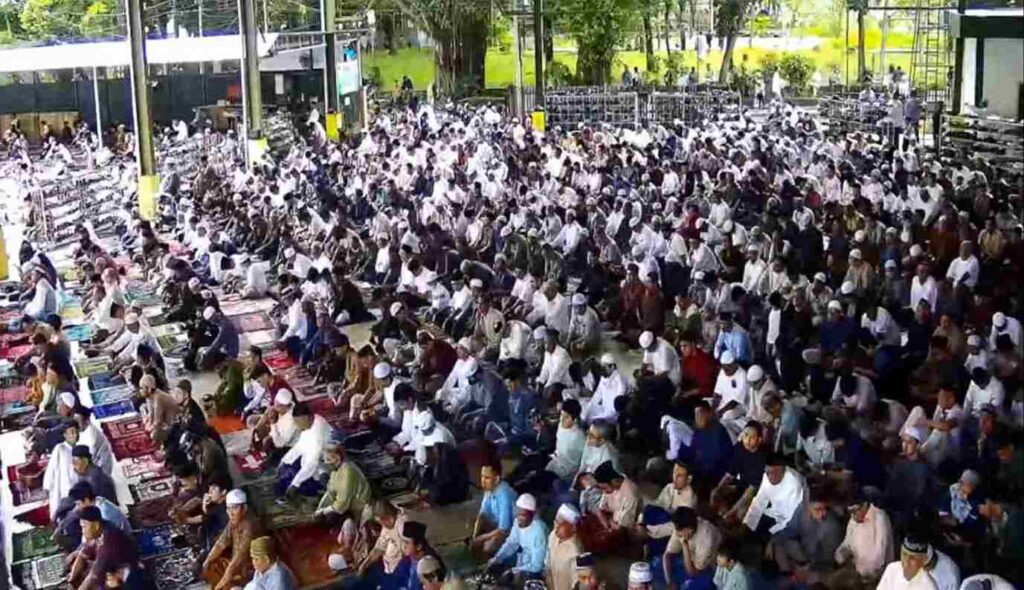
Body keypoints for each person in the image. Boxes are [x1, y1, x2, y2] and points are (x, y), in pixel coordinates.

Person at [67, 506, 141, 590]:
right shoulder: (99, 529)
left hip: (127, 574)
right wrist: (71, 578)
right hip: (109, 568)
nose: (83, 531)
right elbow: (82, 555)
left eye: (84, 527)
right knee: (76, 564)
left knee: (98, 584)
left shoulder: (108, 544)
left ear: (96, 525)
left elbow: (93, 576)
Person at [203, 489, 264, 590]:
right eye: (228, 509)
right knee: (212, 564)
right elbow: (221, 542)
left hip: (253, 569)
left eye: (234, 508)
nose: (230, 513)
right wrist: (208, 560)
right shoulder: (234, 521)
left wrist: (219, 586)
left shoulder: (250, 525)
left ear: (244, 508)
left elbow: (240, 556)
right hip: (238, 566)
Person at [488, 493, 549, 584]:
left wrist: (513, 571)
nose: (519, 519)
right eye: (517, 514)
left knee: (517, 579)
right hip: (525, 558)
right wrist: (497, 558)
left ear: (532, 515)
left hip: (539, 568)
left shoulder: (538, 532)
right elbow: (511, 543)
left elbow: (537, 566)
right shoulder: (518, 522)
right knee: (497, 564)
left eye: (523, 515)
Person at [471, 462, 517, 558]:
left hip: (511, 530)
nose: (483, 481)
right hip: (497, 525)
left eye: (487, 478)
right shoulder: (489, 490)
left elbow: (504, 528)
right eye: (482, 477)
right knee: (474, 522)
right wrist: (475, 535)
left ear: (496, 479)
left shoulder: (504, 494)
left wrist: (481, 538)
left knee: (488, 546)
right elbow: (482, 515)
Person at [547, 504, 584, 590]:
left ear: (573, 527)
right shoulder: (553, 536)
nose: (555, 525)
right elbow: (548, 564)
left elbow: (579, 583)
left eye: (559, 523)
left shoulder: (576, 550)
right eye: (555, 520)